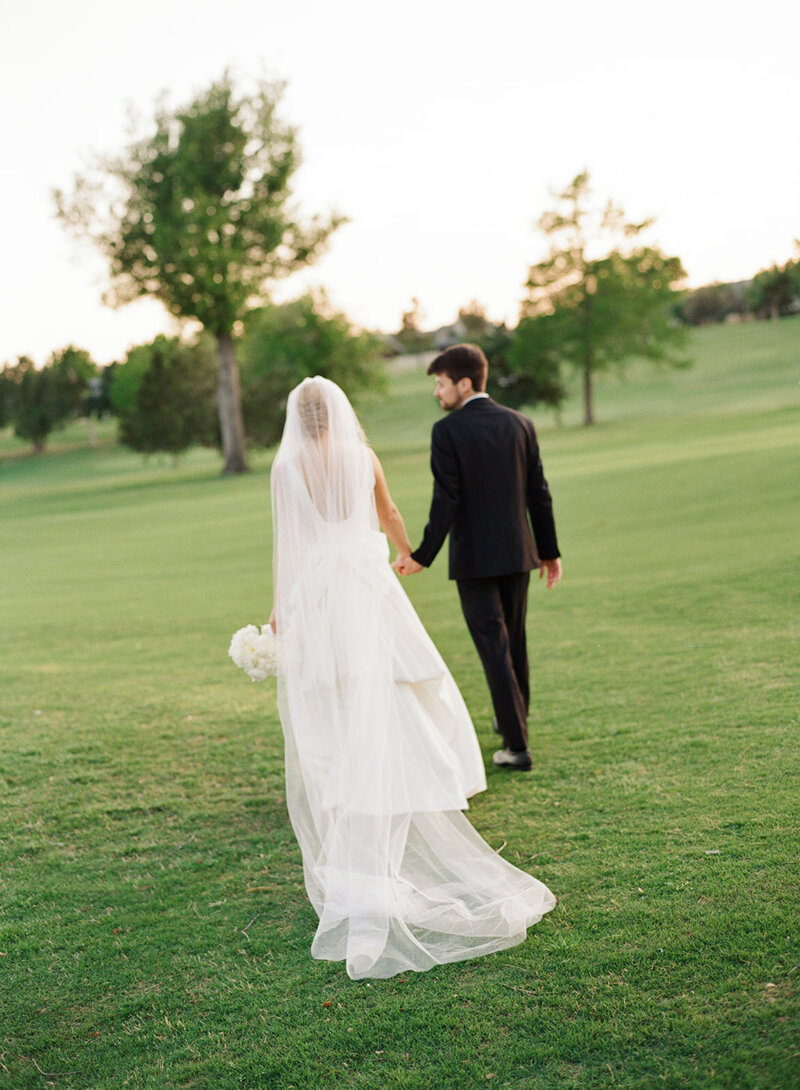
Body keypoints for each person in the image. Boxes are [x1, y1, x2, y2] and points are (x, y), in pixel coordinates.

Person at [268, 375, 555, 980]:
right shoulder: (361, 455)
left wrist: (281, 607)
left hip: (320, 588)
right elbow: (389, 510)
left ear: (298, 416)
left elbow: (288, 545)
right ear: (339, 413)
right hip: (367, 585)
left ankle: (349, 786)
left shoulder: (286, 467)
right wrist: (406, 554)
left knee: (336, 693)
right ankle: (413, 773)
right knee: (397, 683)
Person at [393, 344, 562, 772]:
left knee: (494, 648)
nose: (437, 392)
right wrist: (549, 552)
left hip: (474, 560)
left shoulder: (447, 432)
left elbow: (445, 500)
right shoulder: (520, 424)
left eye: (440, 382)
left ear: (463, 383)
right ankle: (513, 726)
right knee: (514, 643)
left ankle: (517, 745)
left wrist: (422, 556)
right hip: (519, 553)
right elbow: (539, 494)